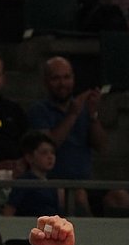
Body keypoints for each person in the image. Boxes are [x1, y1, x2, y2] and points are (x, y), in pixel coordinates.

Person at [26, 56, 104, 210]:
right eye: (56, 78)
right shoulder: (39, 110)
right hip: (53, 184)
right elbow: (50, 145)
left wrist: (93, 115)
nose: (62, 83)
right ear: (45, 82)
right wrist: (72, 114)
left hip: (85, 182)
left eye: (66, 77)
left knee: (119, 197)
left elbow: (101, 146)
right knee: (79, 197)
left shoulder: (84, 109)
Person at [4, 128, 71, 217]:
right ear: (29, 157)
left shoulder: (53, 184)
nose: (50, 157)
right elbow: (9, 210)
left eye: (52, 152)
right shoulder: (24, 182)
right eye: (44, 153)